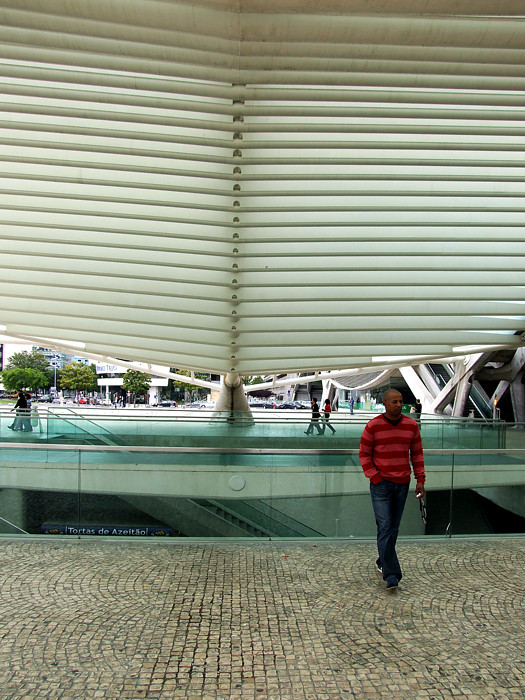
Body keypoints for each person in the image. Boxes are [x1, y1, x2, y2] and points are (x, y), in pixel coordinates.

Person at [359, 388, 425, 590]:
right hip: (381, 485)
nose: (398, 405)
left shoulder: (411, 426)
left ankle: (382, 561)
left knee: (392, 528)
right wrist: (375, 477)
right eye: (394, 402)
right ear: (385, 403)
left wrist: (420, 479)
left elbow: (417, 454)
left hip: (402, 484)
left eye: (400, 401)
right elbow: (364, 454)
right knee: (386, 526)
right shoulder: (373, 426)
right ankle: (392, 575)